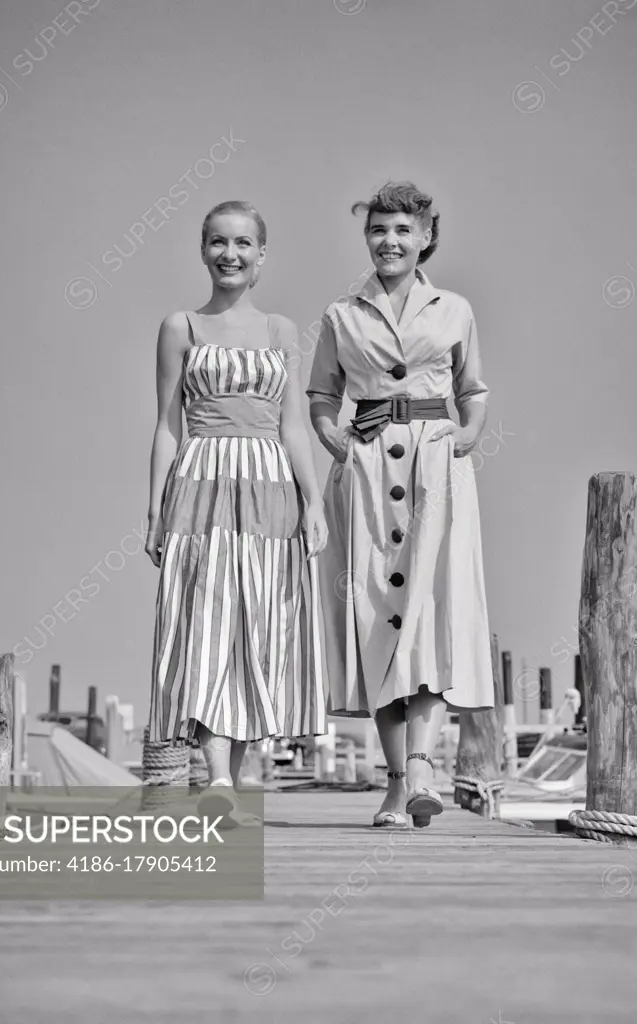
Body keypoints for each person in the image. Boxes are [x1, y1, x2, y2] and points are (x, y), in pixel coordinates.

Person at [306, 181, 495, 828]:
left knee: (432, 610)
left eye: (400, 231)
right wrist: (332, 437)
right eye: (377, 231)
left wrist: (466, 436)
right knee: (375, 617)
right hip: (364, 468)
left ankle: (421, 767)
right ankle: (395, 781)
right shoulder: (341, 314)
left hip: (433, 468)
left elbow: (473, 389)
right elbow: (320, 395)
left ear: (425, 238)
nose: (388, 241)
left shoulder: (455, 309)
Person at [145, 200, 328, 820]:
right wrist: (155, 509)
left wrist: (315, 501)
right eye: (219, 242)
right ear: (203, 250)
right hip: (200, 486)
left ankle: (233, 783)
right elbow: (169, 424)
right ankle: (216, 777)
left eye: (243, 244)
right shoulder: (181, 327)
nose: (230, 254)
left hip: (271, 488)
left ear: (261, 256)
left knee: (261, 631)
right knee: (205, 630)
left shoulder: (281, 331)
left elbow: (295, 427)